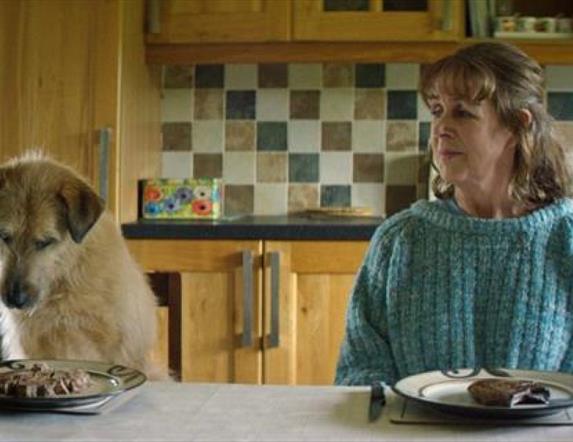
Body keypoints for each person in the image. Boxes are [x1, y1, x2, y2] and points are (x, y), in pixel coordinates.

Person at [335, 42, 573, 386]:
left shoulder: (565, 239)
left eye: (462, 112)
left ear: (518, 126)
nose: (440, 128)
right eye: (436, 110)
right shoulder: (399, 241)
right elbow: (361, 370)